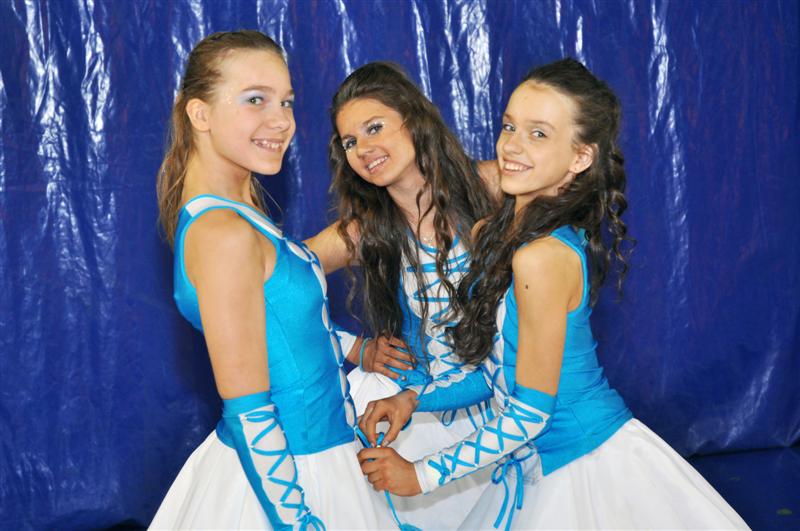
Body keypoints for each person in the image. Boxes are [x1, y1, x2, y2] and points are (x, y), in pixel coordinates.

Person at [356, 58, 749, 530]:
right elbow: (499, 375)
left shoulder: (542, 256)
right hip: (539, 466)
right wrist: (412, 399)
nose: (512, 146)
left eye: (538, 134)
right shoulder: (495, 235)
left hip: (588, 469)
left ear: (580, 158)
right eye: (509, 126)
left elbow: (528, 413)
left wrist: (421, 475)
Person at [149, 30, 394, 530]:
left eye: (286, 101)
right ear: (200, 114)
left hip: (321, 458)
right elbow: (250, 413)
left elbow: (277, 312)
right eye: (255, 99)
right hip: (289, 477)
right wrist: (299, 523)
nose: (281, 120)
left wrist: (356, 349)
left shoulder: (239, 216)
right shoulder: (223, 233)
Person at [305, 62, 500, 528]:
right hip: (402, 415)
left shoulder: (493, 188)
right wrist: (354, 348)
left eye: (374, 127)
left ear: (413, 119)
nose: (363, 149)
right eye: (350, 142)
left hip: (503, 414)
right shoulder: (363, 231)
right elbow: (268, 290)